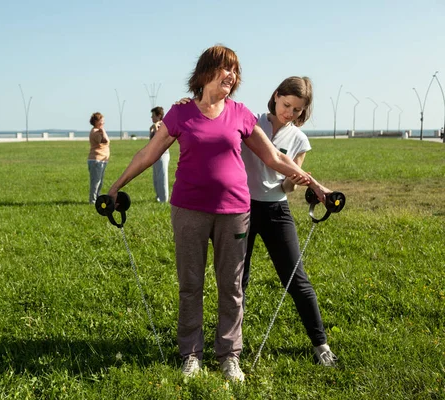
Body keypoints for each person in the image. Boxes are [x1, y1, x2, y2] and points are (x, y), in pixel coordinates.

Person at [106, 45, 331, 381]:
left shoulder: (240, 113)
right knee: (190, 284)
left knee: (232, 286)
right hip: (189, 210)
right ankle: (191, 355)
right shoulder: (181, 113)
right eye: (226, 68)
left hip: (235, 212)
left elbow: (274, 158)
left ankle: (229, 356)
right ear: (206, 72)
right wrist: (114, 186)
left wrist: (318, 186)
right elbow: (148, 154)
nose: (232, 75)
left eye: (235, 71)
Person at [240, 76, 338, 367]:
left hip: (276, 211)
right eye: (286, 105)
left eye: (296, 110)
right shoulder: (249, 122)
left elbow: (286, 187)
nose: (289, 113)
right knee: (237, 281)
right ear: (276, 96)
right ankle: (232, 343)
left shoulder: (299, 139)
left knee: (298, 280)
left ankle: (320, 344)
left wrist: (293, 182)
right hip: (241, 209)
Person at [87, 112, 110, 204]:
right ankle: (93, 200)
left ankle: (97, 198)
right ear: (96, 121)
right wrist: (103, 131)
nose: (103, 122)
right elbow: (104, 141)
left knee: (99, 181)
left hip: (102, 160)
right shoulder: (95, 132)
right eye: (101, 120)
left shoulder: (98, 130)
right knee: (96, 181)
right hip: (96, 160)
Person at [149, 106, 170, 202]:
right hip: (155, 154)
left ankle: (163, 199)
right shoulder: (154, 126)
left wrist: (155, 128)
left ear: (159, 116)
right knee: (156, 177)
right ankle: (158, 196)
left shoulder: (163, 125)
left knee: (162, 177)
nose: (151, 117)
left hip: (162, 154)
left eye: (153, 115)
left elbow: (160, 138)